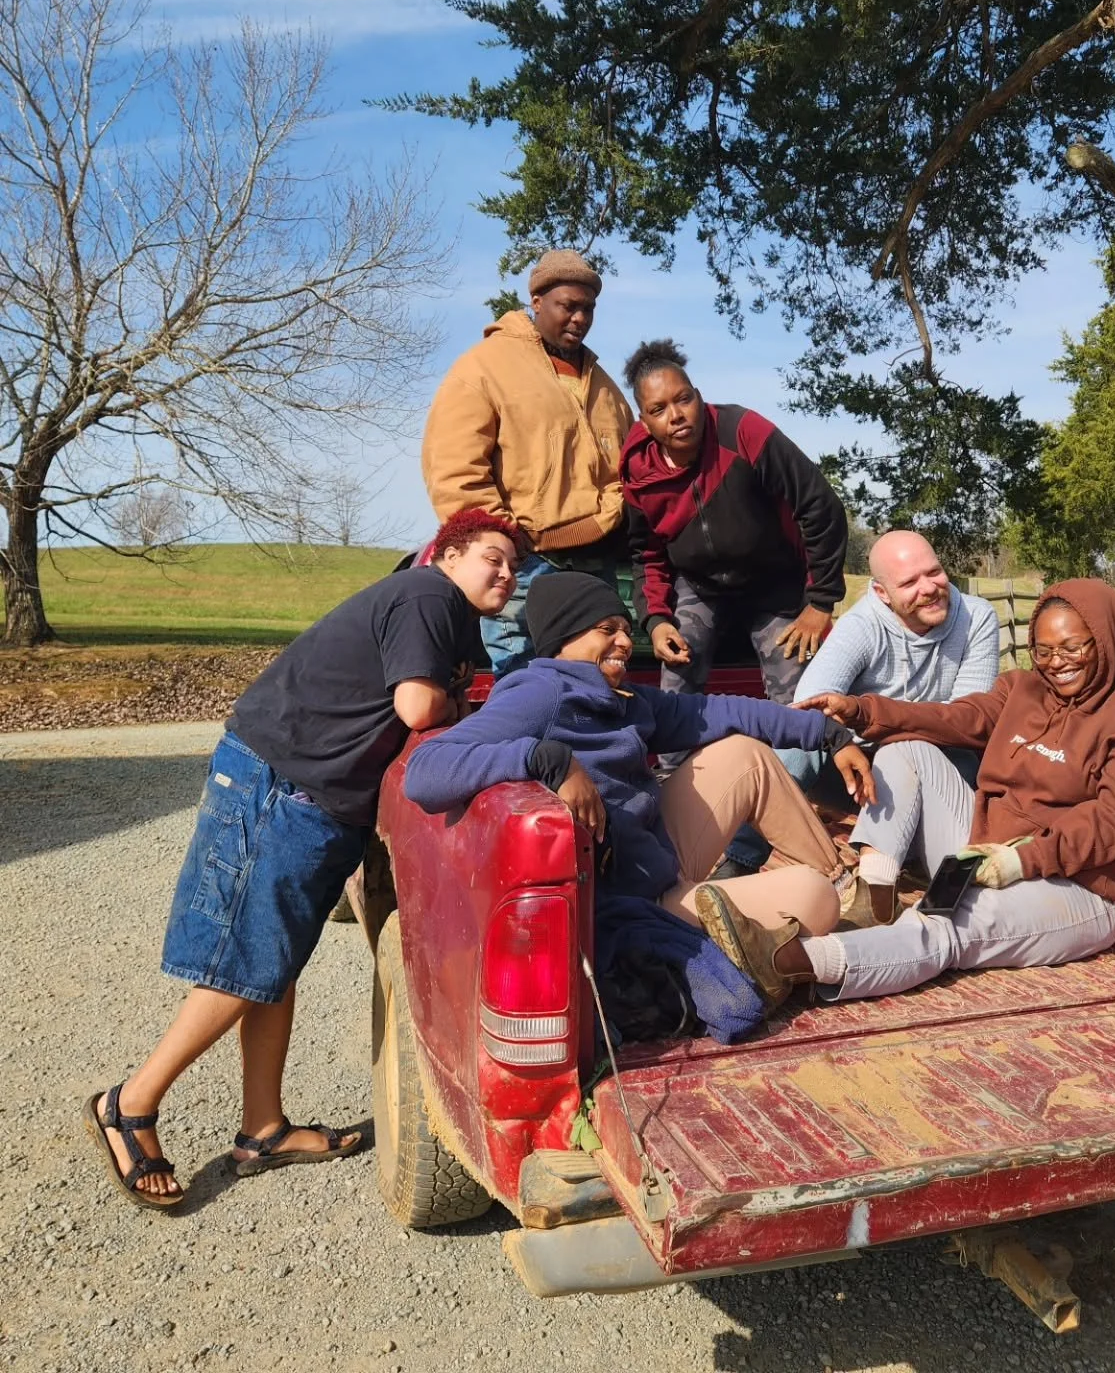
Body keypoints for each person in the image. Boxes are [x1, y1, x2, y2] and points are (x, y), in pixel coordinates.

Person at [85, 510, 522, 1210]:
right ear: (447, 555)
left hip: (313, 798)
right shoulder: (427, 595)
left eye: (514, 565)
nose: (506, 573)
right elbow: (418, 706)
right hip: (280, 782)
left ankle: (263, 1129)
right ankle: (128, 1104)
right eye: (492, 557)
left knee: (273, 961)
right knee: (246, 962)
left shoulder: (454, 619)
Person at [693, 579, 1115, 1007]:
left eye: (1074, 648)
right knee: (906, 750)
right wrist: (862, 711)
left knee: (946, 917)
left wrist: (1022, 860)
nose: (1057, 664)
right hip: (987, 854)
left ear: (1106, 639)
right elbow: (954, 717)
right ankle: (875, 896)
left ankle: (790, 962)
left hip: (1081, 888)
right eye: (1044, 650)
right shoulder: (1025, 690)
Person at [403, 573, 877, 1010]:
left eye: (627, 629)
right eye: (607, 629)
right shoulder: (539, 694)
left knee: (743, 753)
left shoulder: (624, 697)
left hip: (655, 859)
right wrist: (544, 757)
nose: (626, 642)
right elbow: (425, 771)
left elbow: (721, 711)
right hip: (633, 903)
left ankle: (837, 887)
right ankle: (766, 922)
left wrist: (827, 735)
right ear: (565, 636)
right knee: (814, 897)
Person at [721, 529, 1000, 880]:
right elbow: (810, 702)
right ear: (882, 593)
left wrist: (886, 723)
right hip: (858, 771)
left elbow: (970, 719)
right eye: (910, 582)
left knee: (965, 756)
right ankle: (739, 860)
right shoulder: (862, 625)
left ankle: (923, 861)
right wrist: (840, 742)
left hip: (935, 761)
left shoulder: (976, 617)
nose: (929, 588)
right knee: (797, 744)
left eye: (934, 572)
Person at [421, 250, 633, 675]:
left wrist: (608, 516)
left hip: (596, 565)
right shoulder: (484, 367)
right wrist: (507, 546)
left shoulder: (606, 388)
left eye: (588, 309)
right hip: (524, 564)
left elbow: (628, 471)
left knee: (593, 685)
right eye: (567, 306)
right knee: (522, 684)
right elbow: (455, 470)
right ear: (536, 301)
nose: (579, 318)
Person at [620, 339, 847, 701]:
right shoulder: (638, 472)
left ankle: (795, 739)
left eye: (683, 399)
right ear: (644, 423)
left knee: (800, 698)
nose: (676, 415)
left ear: (699, 397)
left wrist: (820, 603)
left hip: (775, 584)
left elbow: (819, 505)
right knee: (675, 682)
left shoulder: (743, 431)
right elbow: (646, 556)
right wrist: (657, 621)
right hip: (699, 586)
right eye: (658, 409)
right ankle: (677, 743)